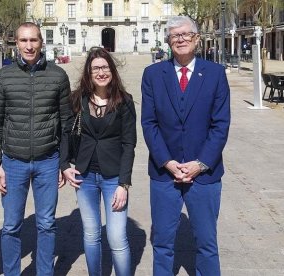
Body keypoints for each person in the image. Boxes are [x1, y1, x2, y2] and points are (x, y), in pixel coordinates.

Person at [141, 16, 230, 276]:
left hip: (205, 175)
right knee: (162, 243)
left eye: (185, 35)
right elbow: (149, 123)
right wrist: (167, 162)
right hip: (163, 175)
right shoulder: (153, 74)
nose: (180, 39)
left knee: (206, 243)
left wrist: (200, 164)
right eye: (174, 36)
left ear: (196, 39)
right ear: (168, 41)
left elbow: (220, 125)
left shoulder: (215, 74)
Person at [0, 22, 72, 275]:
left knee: (46, 224)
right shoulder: (4, 76)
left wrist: (63, 163)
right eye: (23, 41)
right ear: (16, 43)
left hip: (48, 161)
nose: (29, 46)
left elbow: (66, 122)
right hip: (13, 162)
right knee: (11, 225)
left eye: (33, 40)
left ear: (41, 42)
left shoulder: (58, 75)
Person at [60, 47, 137, 276]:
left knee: (116, 237)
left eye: (105, 67)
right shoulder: (77, 100)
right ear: (88, 73)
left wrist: (124, 184)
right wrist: (64, 166)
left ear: (112, 70)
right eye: (96, 68)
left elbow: (128, 144)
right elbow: (65, 133)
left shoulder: (124, 101)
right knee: (91, 234)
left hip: (114, 178)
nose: (101, 72)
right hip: (85, 177)